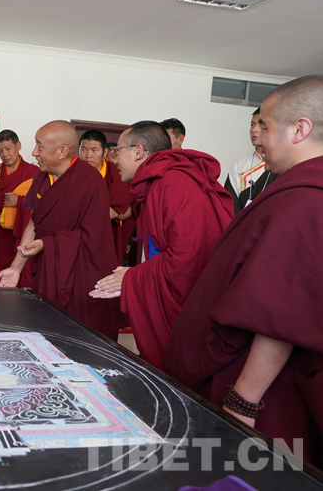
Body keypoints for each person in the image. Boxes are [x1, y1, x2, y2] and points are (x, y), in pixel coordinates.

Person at [163, 76, 323, 466]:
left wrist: (242, 401)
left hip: (263, 381)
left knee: (241, 467)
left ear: (300, 129)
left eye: (264, 125)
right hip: (257, 364)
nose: (257, 137)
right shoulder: (296, 187)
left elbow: (280, 314)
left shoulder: (305, 201)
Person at [90, 121, 233, 369]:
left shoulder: (173, 183)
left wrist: (136, 277)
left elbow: (189, 258)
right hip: (173, 287)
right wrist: (138, 273)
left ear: (138, 151)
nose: (113, 159)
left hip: (187, 303)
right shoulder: (160, 180)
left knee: (175, 368)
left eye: (117, 151)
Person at [0, 121, 120, 335]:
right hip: (47, 270)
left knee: (75, 338)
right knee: (42, 331)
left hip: (80, 277)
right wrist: (16, 268)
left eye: (40, 146)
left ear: (62, 151)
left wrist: (48, 243)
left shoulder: (91, 182)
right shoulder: (42, 176)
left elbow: (94, 239)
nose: (34, 152)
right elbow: (34, 222)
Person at [0, 129, 37, 283]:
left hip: (20, 233)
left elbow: (41, 204)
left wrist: (19, 201)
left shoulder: (34, 173)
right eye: (0, 150)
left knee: (20, 272)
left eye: (8, 148)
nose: (4, 154)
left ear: (18, 145)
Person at [79, 129, 131, 263]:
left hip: (106, 236)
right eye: (83, 149)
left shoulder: (115, 172)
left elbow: (128, 211)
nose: (88, 155)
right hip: (77, 235)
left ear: (105, 152)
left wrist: (114, 213)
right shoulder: (72, 172)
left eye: (94, 150)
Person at [224, 108, 277, 214]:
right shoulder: (238, 166)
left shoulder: (281, 165)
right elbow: (229, 204)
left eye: (261, 125)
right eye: (252, 125)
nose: (254, 130)